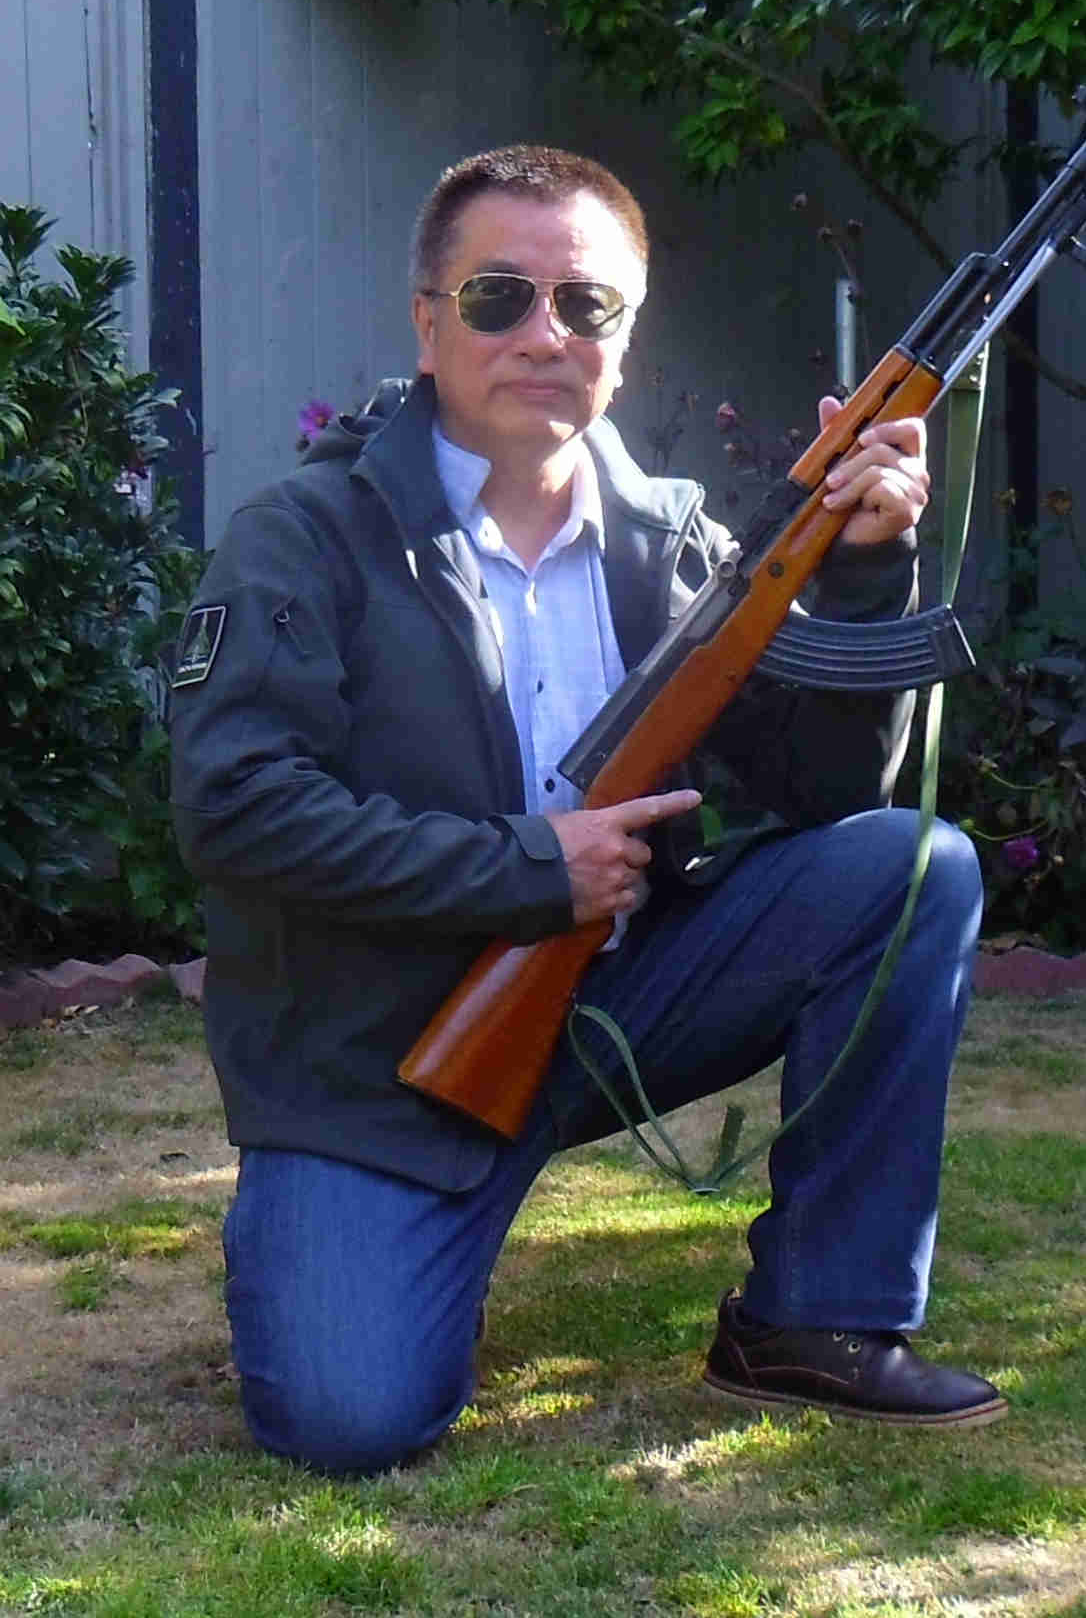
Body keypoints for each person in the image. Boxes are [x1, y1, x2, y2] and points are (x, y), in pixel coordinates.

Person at [169, 143, 1003, 1476]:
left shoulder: (679, 545)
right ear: (428, 323)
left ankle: (813, 1319)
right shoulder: (304, 538)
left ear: (626, 335)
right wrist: (523, 869)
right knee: (348, 1423)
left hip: (618, 1004)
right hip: (375, 1063)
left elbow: (830, 795)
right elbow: (239, 809)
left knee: (909, 868)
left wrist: (863, 569)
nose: (544, 334)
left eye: (586, 304)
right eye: (498, 297)